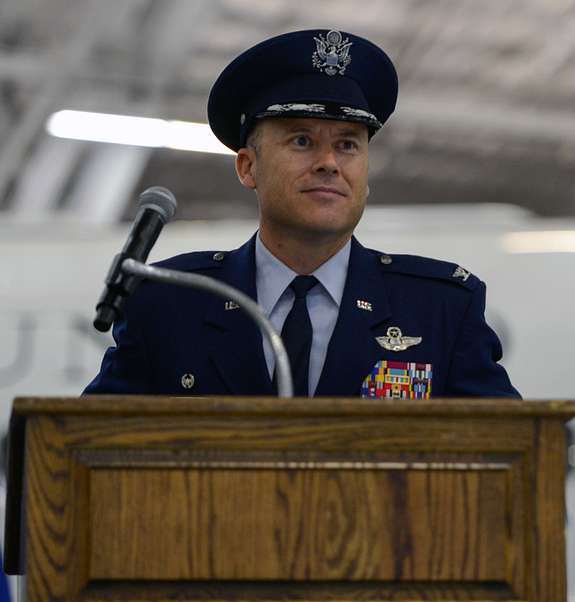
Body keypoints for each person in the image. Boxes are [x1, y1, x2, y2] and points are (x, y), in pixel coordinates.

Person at [85, 29, 518, 400]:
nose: (329, 162)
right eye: (301, 142)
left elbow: (514, 458)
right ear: (247, 167)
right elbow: (83, 447)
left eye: (348, 144)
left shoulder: (439, 308)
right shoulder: (169, 303)